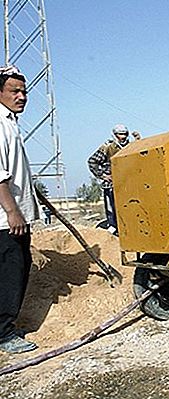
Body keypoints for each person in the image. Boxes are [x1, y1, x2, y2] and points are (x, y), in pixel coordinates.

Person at [0, 65, 40, 353]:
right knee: (11, 274)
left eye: (24, 90)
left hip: (14, 215)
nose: (22, 96)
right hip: (6, 219)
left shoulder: (10, 122)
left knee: (16, 270)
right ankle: (3, 334)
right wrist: (13, 211)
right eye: (14, 90)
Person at [87, 124, 133, 235]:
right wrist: (102, 175)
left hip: (129, 181)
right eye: (120, 134)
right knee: (111, 206)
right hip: (112, 182)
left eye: (124, 134)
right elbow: (92, 161)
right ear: (115, 135)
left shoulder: (131, 146)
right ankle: (112, 225)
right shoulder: (107, 147)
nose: (123, 137)